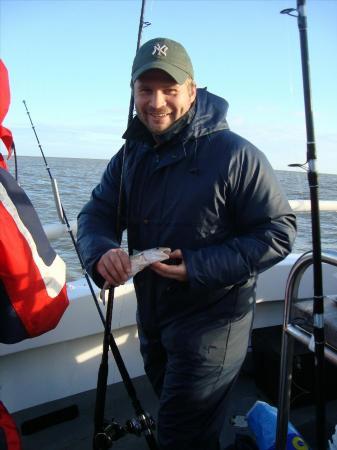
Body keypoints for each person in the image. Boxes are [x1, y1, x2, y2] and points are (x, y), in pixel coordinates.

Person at [77, 37, 296, 450]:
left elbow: (279, 231)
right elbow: (96, 214)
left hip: (214, 326)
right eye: (145, 90)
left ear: (192, 91)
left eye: (170, 90)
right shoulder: (129, 157)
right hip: (155, 322)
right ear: (133, 93)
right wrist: (102, 250)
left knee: (179, 434)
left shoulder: (236, 155)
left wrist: (198, 265)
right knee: (187, 427)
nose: (156, 102)